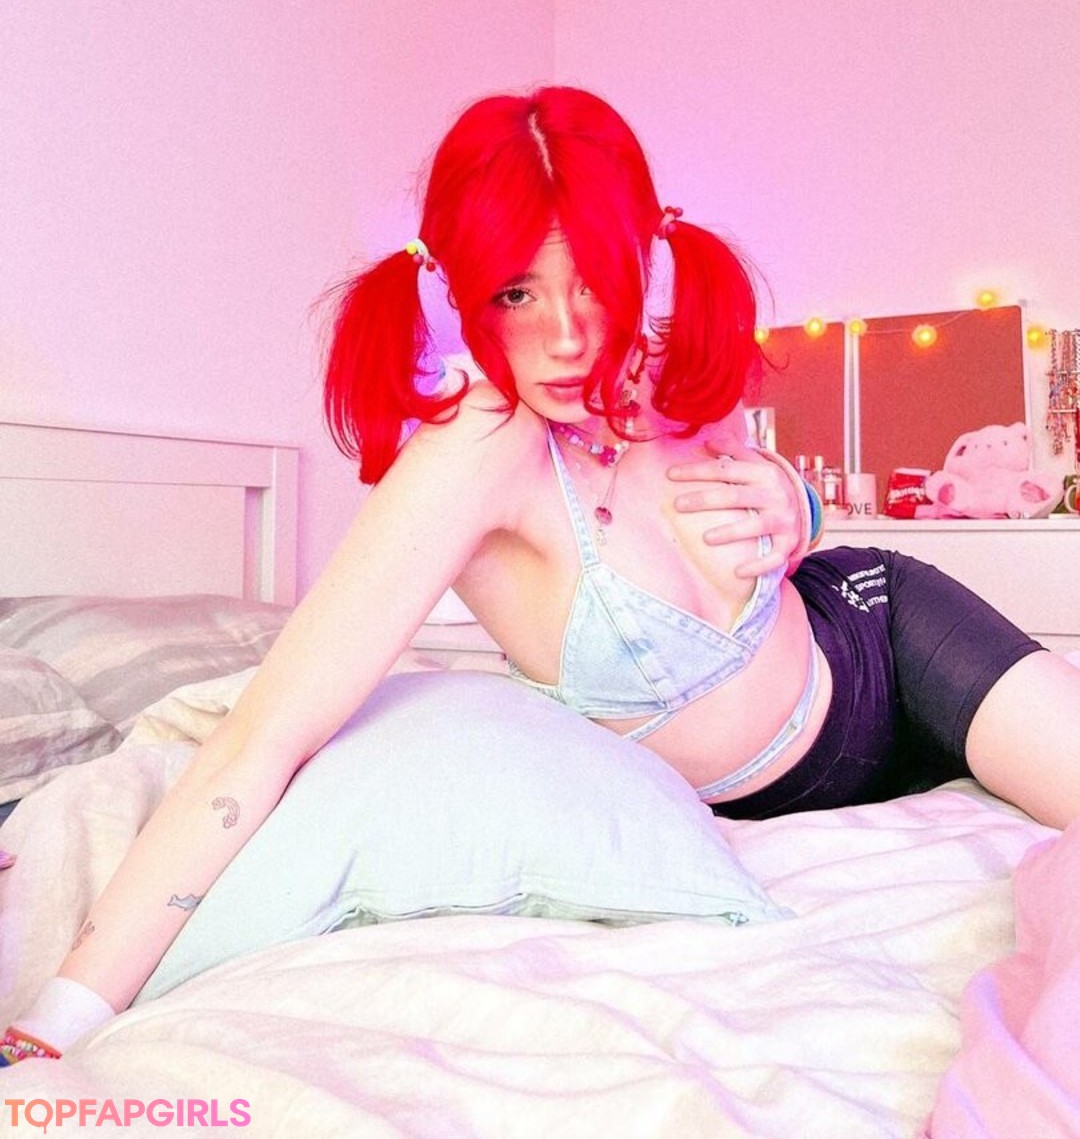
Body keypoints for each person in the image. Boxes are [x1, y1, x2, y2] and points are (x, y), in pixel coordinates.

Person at [3, 85, 1078, 1067]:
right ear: (461, 288)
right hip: (781, 790)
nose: (567, 337)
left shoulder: (657, 374)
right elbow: (259, 737)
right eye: (518, 292)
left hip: (888, 635)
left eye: (597, 284)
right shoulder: (473, 458)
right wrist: (59, 1020)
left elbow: (774, 533)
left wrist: (795, 508)